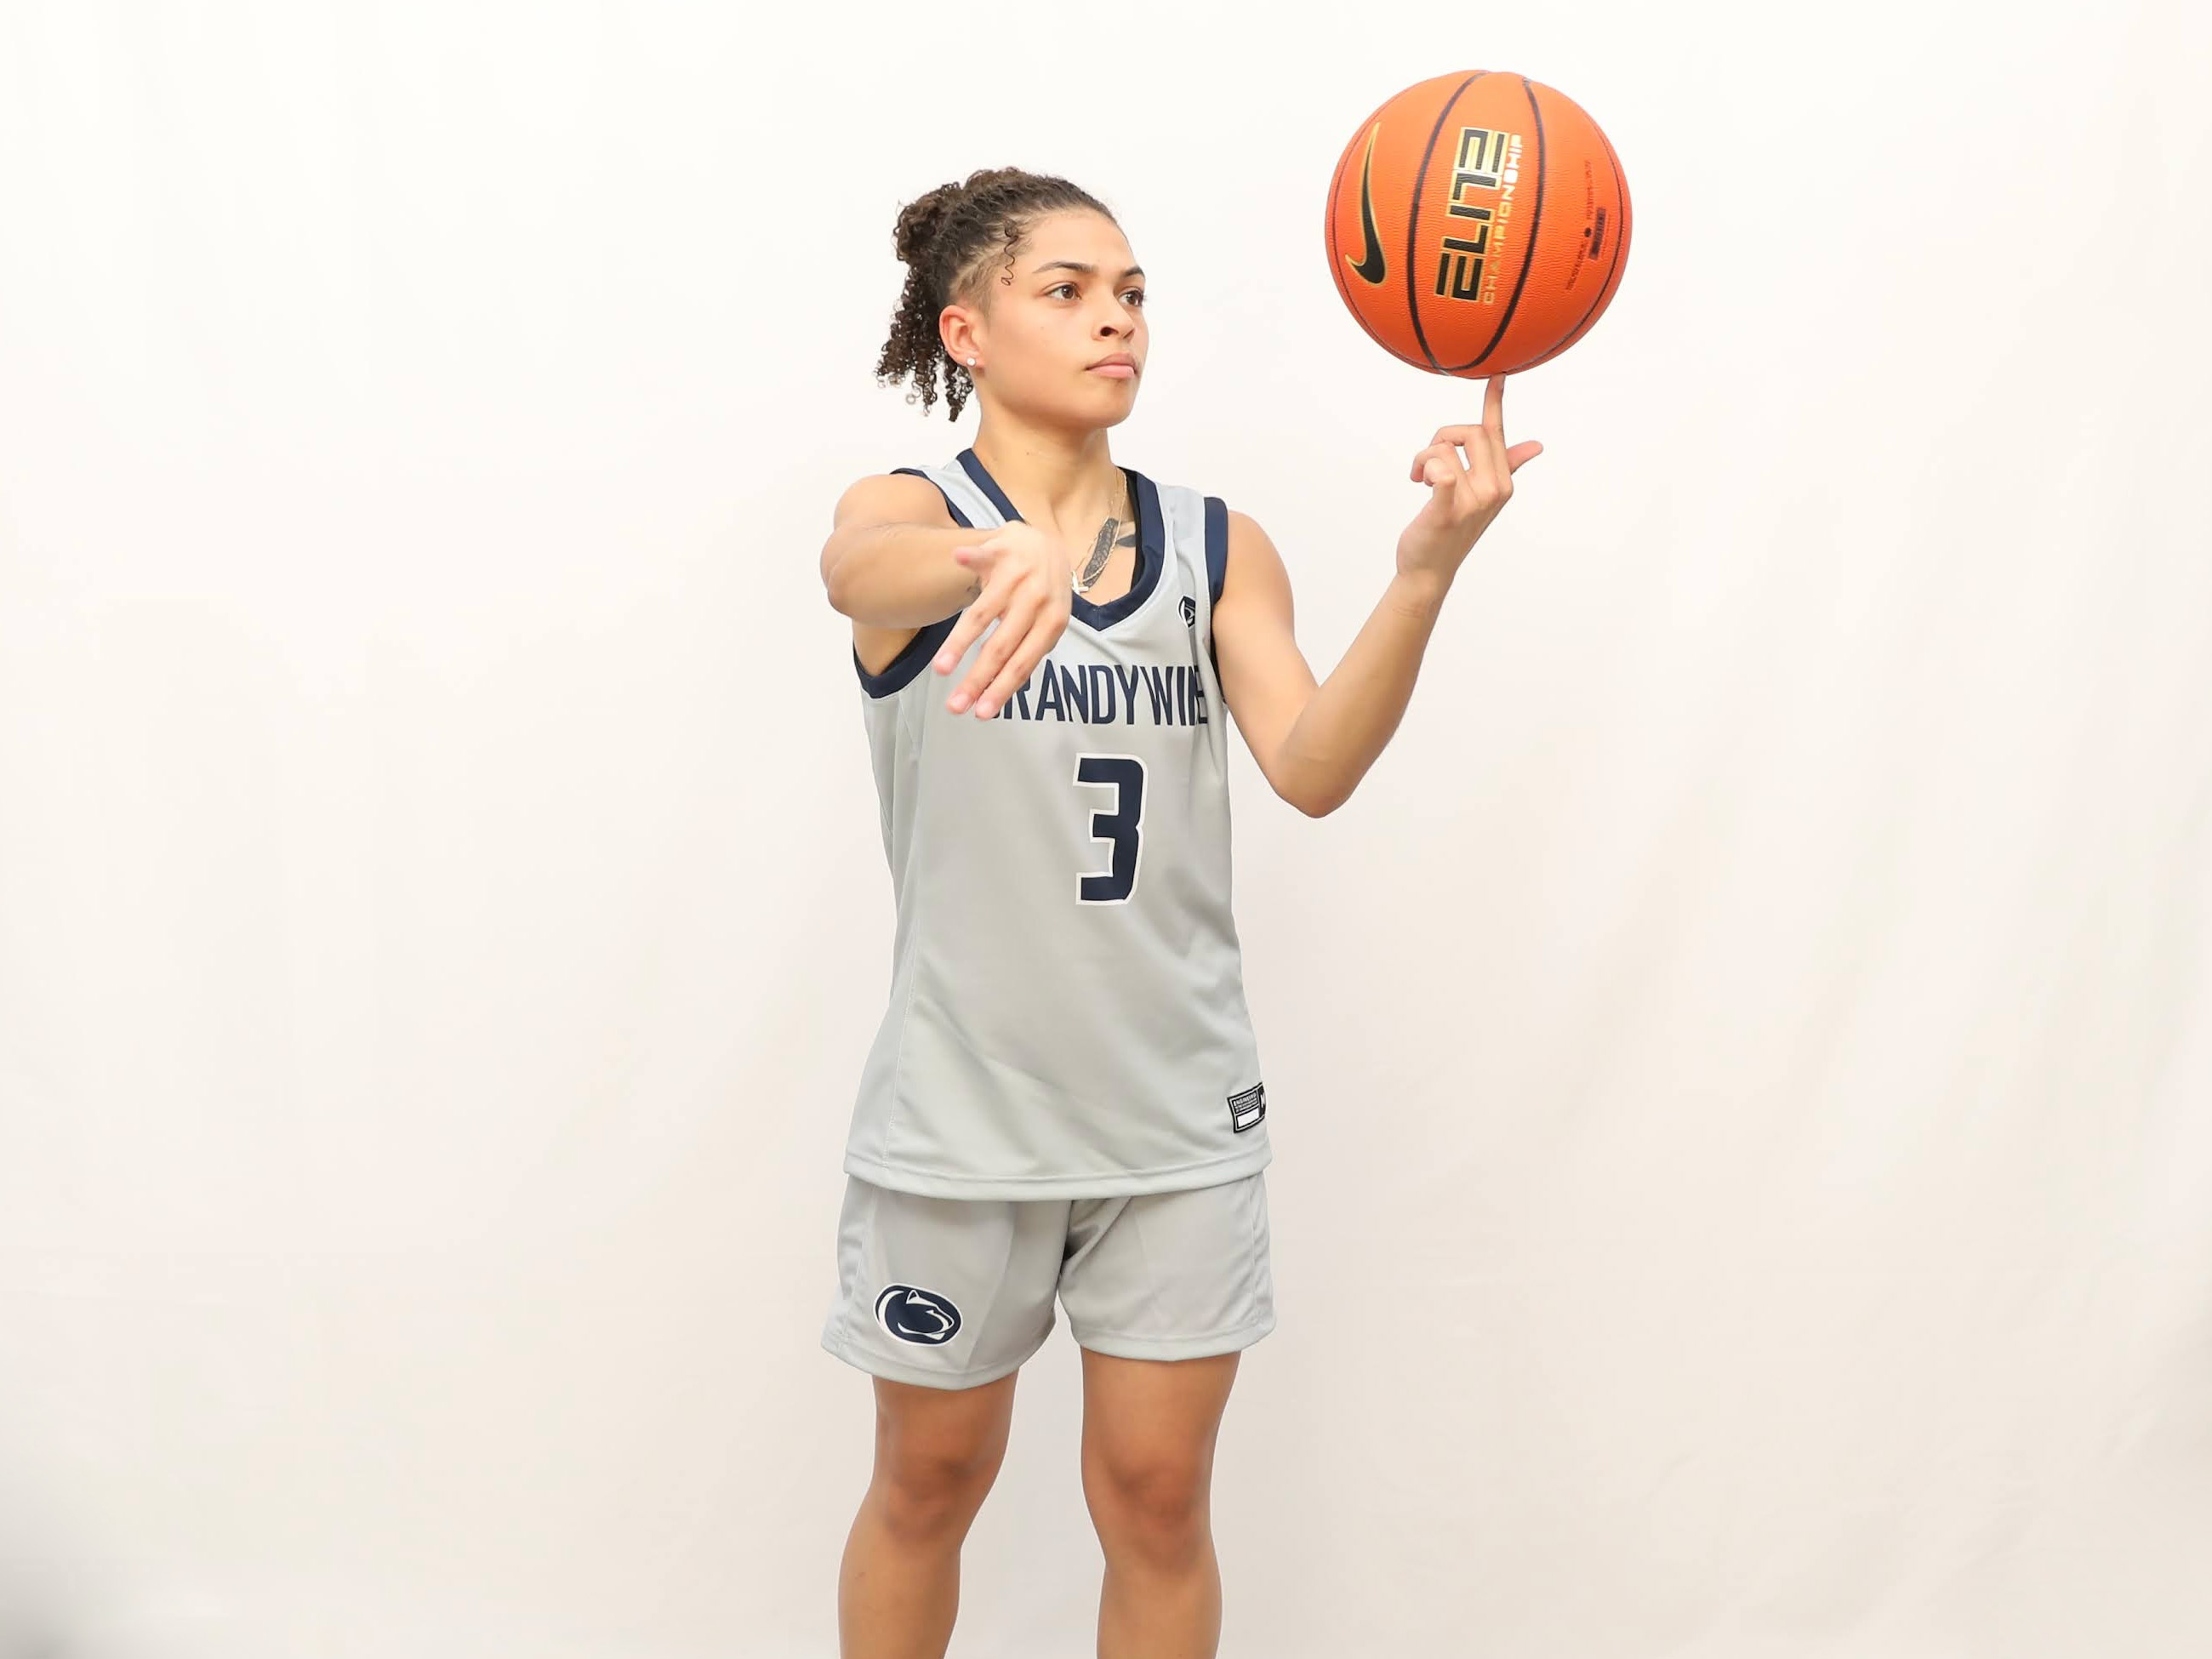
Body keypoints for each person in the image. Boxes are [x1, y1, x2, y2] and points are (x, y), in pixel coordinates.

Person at [815, 165, 1541, 1659]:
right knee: (927, 1480)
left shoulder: (1214, 543)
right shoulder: (912, 515)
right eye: (1066, 292)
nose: (1115, 322)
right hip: (966, 1110)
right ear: (967, 330)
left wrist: (1425, 573)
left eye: (1132, 292)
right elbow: (851, 571)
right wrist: (985, 555)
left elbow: (1316, 766)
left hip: (1173, 1118)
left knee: (1157, 1500)